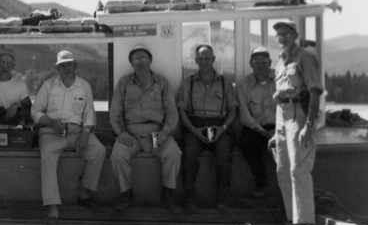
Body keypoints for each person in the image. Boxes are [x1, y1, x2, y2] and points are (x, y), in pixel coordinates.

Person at [31, 50, 106, 225]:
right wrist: (49, 121)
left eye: (69, 64)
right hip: (51, 132)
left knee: (98, 151)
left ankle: (84, 192)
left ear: (75, 65)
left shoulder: (84, 86)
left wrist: (85, 133)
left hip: (78, 131)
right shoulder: (48, 85)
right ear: (57, 67)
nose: (66, 67)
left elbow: (89, 114)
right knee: (48, 157)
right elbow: (35, 111)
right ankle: (52, 208)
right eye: (62, 64)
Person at [109, 44, 181, 213]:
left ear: (150, 60)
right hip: (131, 134)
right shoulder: (124, 83)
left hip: (156, 133)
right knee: (117, 155)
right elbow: (115, 113)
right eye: (136, 58)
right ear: (131, 63)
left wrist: (165, 131)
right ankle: (126, 194)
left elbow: (172, 112)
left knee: (173, 152)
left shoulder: (162, 83)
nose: (140, 61)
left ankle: (167, 195)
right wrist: (121, 132)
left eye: (143, 57)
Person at [268, 21, 323, 225]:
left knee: (298, 169)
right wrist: (276, 131)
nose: (282, 38)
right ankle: (293, 221)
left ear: (296, 35)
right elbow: (281, 94)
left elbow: (315, 92)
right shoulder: (281, 61)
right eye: (278, 35)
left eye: (286, 34)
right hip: (282, 117)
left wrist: (309, 126)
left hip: (299, 115)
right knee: (283, 169)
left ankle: (308, 224)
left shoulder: (305, 57)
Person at [177, 44, 238, 211]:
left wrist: (223, 128)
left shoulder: (226, 82)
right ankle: (190, 199)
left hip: (219, 125)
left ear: (213, 60)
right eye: (200, 58)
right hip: (195, 126)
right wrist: (193, 130)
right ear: (196, 61)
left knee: (225, 157)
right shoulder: (188, 82)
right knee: (189, 156)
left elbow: (233, 110)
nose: (204, 61)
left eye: (207, 58)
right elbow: (181, 109)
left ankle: (222, 199)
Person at [236, 46, 278, 199]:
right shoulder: (243, 85)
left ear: (270, 63)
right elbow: (245, 115)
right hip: (256, 128)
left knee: (287, 149)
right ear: (250, 64)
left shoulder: (281, 81)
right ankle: (262, 184)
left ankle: (287, 191)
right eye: (256, 62)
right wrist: (264, 133)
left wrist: (278, 131)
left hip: (279, 127)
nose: (260, 66)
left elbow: (287, 109)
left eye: (264, 62)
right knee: (246, 143)